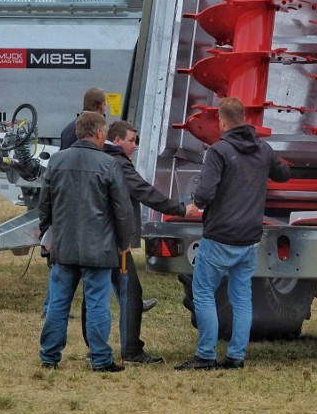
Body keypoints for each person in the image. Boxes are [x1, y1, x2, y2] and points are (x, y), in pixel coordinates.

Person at [175, 97, 292, 371]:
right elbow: (284, 173)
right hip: (249, 238)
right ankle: (236, 356)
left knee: (203, 293)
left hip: (220, 236)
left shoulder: (218, 151)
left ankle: (205, 355)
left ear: (223, 121)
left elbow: (204, 193)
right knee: (242, 298)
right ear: (244, 119)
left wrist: (197, 204)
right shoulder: (263, 149)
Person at [39, 112, 133, 371]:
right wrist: (125, 242)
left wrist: (47, 231)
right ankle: (101, 358)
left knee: (58, 302)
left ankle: (49, 356)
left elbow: (44, 204)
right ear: (99, 133)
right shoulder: (109, 164)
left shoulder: (56, 161)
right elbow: (122, 209)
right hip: (99, 247)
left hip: (64, 244)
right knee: (97, 305)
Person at [101, 120, 187, 364]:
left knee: (95, 292)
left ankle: (95, 348)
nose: (136, 146)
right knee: (130, 292)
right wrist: (179, 208)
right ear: (116, 140)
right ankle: (131, 351)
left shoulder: (100, 157)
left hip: (95, 237)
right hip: (115, 240)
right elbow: (144, 191)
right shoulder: (117, 163)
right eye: (131, 140)